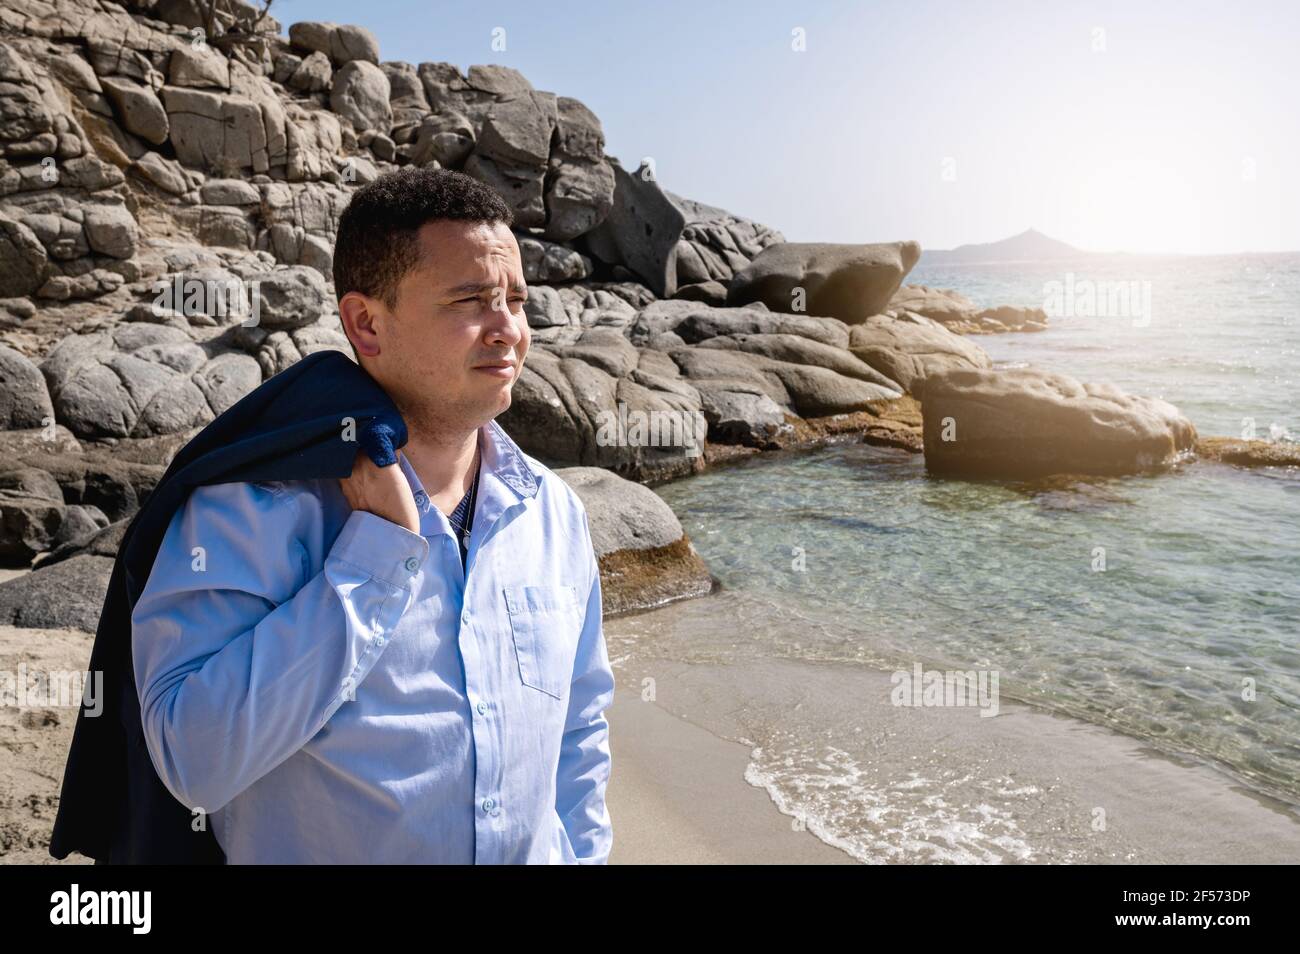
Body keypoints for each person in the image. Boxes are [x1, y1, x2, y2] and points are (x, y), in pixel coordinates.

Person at [129, 168, 614, 863]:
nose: (509, 329)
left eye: (516, 298)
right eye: (472, 299)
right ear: (366, 323)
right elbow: (191, 760)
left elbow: (580, 728)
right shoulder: (253, 509)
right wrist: (374, 562)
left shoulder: (554, 515)